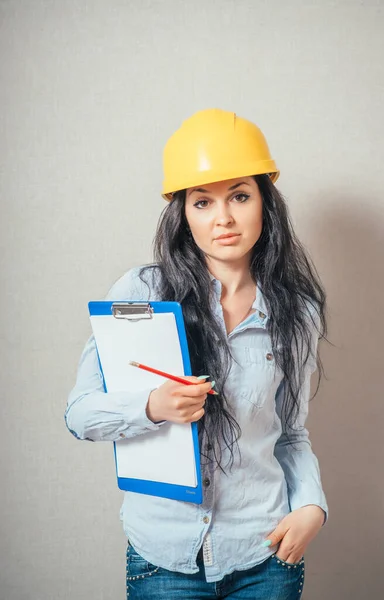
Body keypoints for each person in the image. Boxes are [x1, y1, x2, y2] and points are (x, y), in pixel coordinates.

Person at [65, 108, 328, 599]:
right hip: (164, 559)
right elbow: (79, 414)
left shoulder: (298, 312)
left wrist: (312, 506)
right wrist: (150, 407)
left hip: (265, 554)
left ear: (265, 205)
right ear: (183, 214)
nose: (224, 218)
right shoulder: (141, 293)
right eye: (203, 202)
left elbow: (290, 433)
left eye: (240, 197)